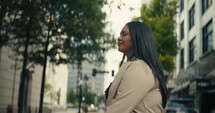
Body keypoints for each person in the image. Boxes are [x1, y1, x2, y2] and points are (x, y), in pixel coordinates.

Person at [104, 21, 168, 113]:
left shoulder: (140, 68)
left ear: (137, 38)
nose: (119, 38)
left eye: (124, 34)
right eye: (120, 34)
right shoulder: (137, 66)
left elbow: (117, 110)